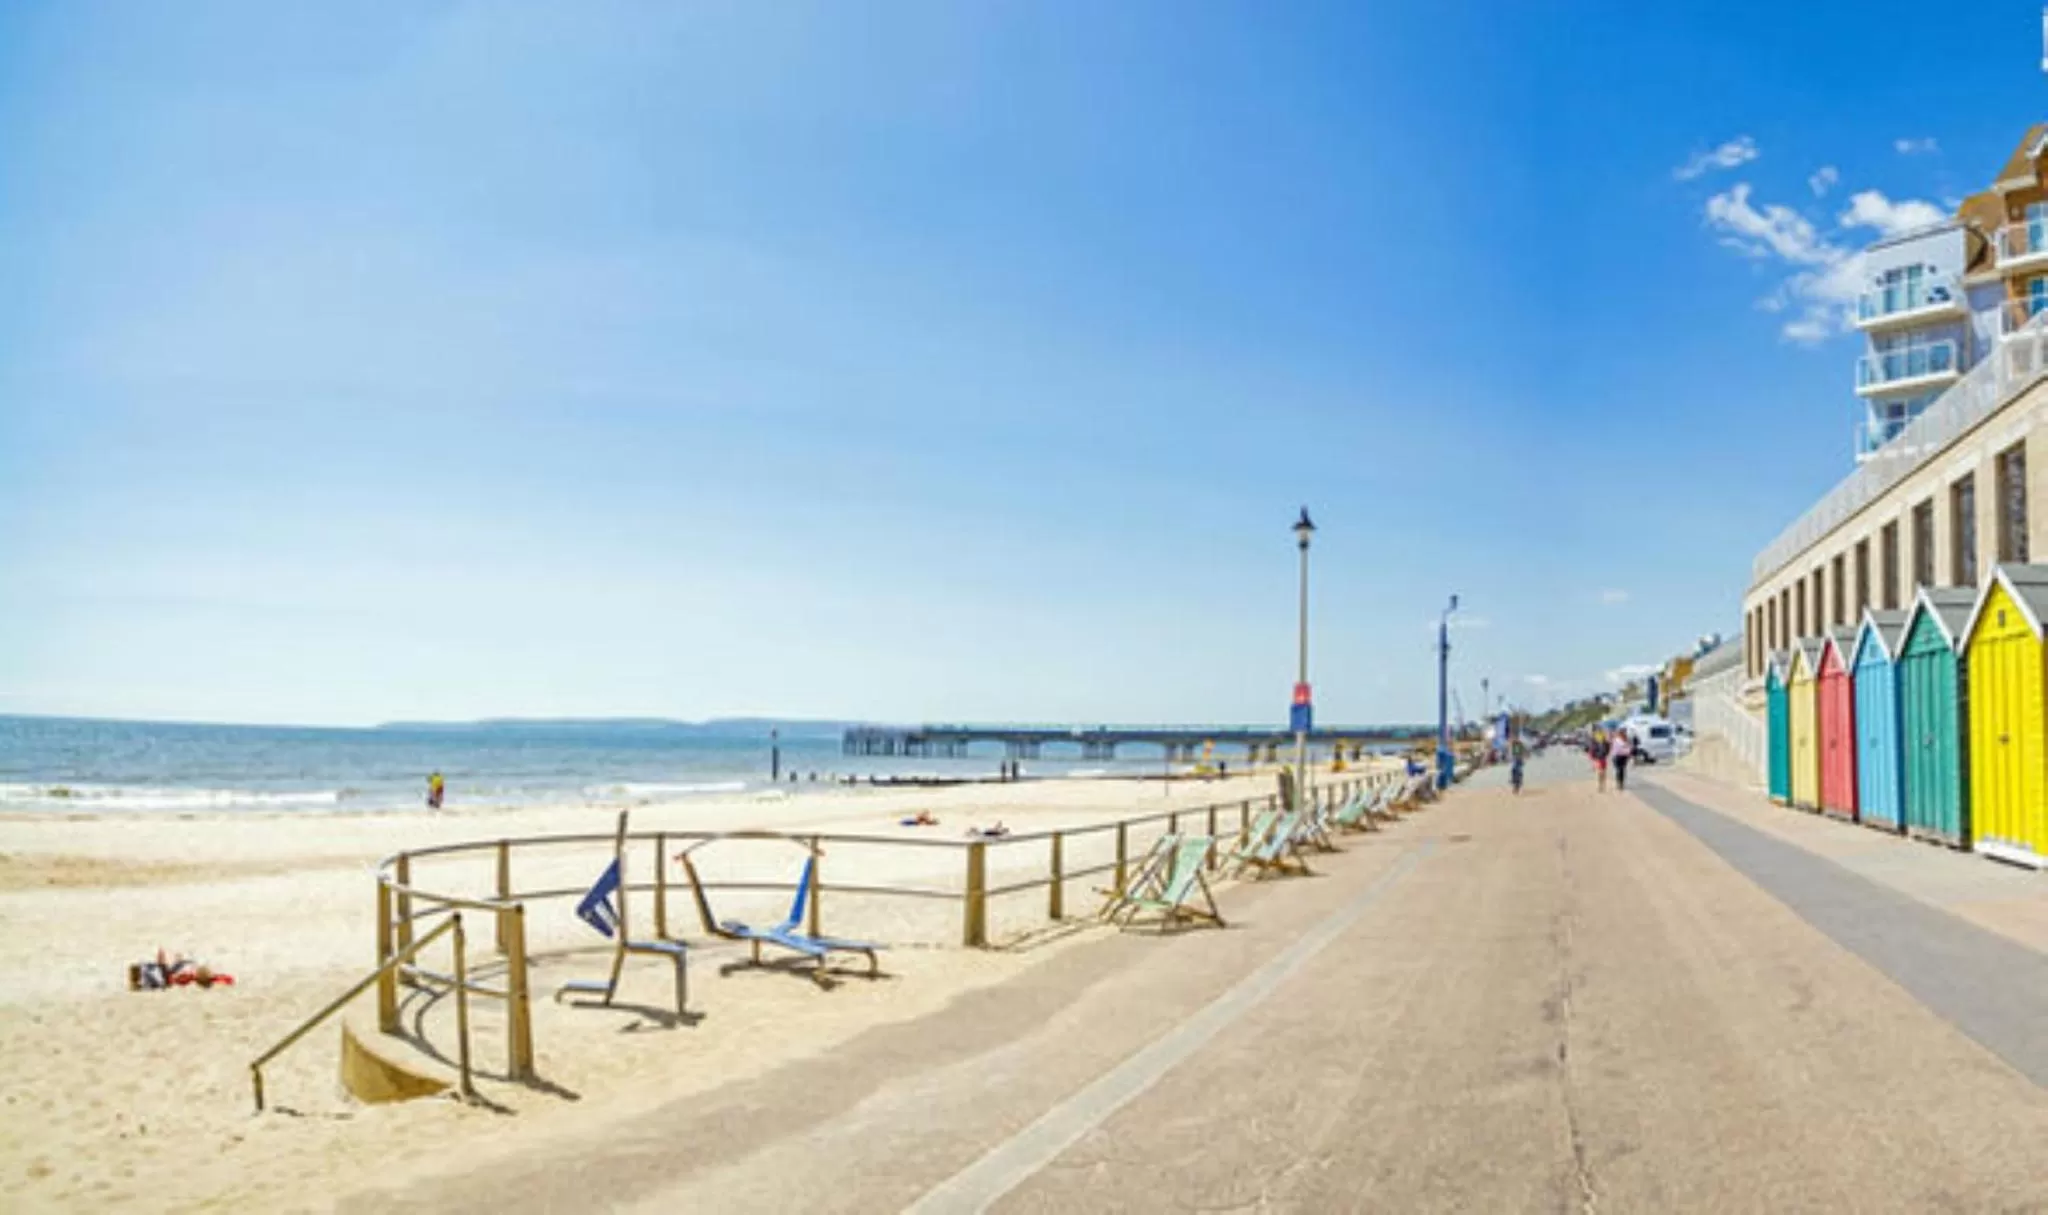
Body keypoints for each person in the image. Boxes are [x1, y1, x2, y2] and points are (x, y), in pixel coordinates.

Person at [1609, 728, 1634, 793]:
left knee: (1621, 770)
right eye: (1623, 732)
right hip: (1618, 756)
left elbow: (1630, 747)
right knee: (1619, 770)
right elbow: (1612, 747)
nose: (1624, 733)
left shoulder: (1626, 739)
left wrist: (1629, 752)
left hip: (1622, 756)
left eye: (1624, 732)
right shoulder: (1616, 739)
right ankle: (1619, 783)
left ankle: (1620, 783)